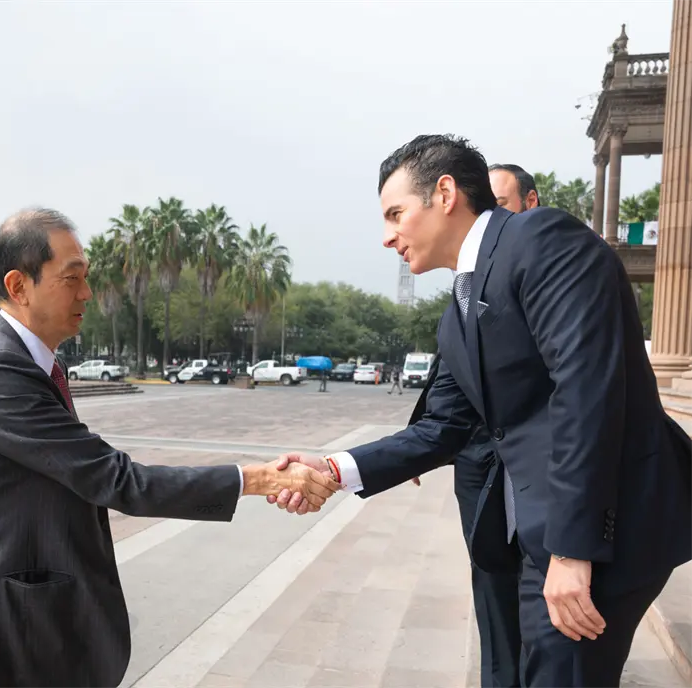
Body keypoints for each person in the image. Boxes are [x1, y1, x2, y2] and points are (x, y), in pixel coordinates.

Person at [272, 135, 692, 688]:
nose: (386, 237)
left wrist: (572, 550)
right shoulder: (456, 315)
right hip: (540, 539)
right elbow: (443, 427)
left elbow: (586, 393)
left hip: (602, 532)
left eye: (396, 214)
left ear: (444, 193)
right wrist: (331, 470)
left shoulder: (542, 241)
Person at [0, 208, 339, 688]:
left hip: (27, 624)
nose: (87, 293)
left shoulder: (24, 363)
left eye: (86, 277)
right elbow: (115, 480)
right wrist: (258, 479)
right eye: (71, 278)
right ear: (19, 286)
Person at [402, 163, 541, 688]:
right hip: (477, 463)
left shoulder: (546, 269)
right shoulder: (461, 294)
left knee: (545, 611)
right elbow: (449, 379)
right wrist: (415, 448)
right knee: (492, 591)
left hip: (537, 480)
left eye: (501, 205)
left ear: (529, 205)